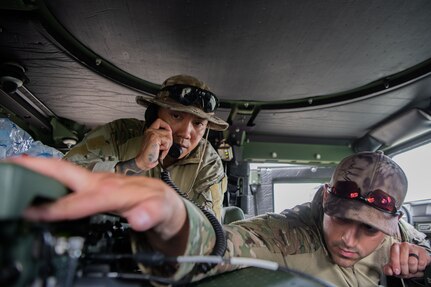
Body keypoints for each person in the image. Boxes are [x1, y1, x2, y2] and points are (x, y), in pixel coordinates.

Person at [10, 151, 431, 286]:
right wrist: (176, 218)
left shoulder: (401, 232)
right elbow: (220, 245)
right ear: (325, 199)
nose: (351, 241)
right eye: (342, 219)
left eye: (370, 229)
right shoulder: (288, 234)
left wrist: (426, 259)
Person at [64, 74, 229, 221]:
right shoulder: (118, 134)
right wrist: (137, 164)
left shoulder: (209, 164)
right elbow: (61, 177)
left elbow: (209, 229)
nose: (186, 133)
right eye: (176, 116)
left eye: (198, 123)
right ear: (154, 115)